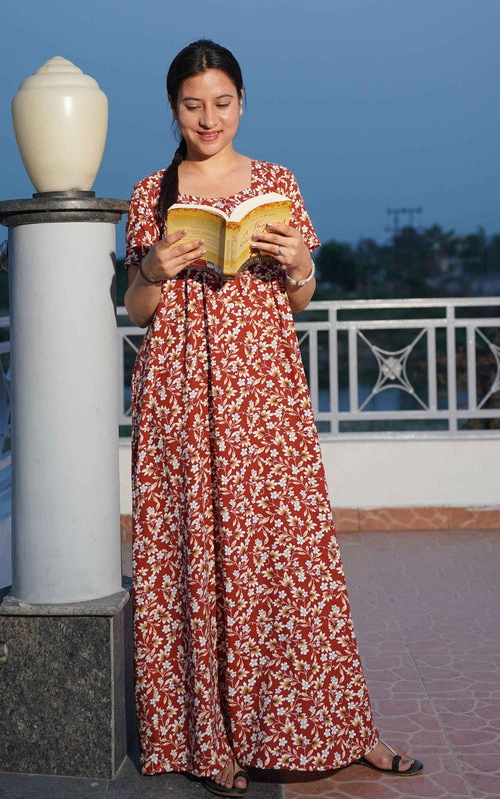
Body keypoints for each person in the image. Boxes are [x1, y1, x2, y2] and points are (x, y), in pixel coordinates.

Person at [124, 39, 423, 798]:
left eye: (222, 103)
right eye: (193, 105)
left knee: (294, 557)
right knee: (196, 559)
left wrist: (298, 263)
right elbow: (136, 309)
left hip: (265, 398)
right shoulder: (152, 192)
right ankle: (210, 741)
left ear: (242, 103)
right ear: (173, 109)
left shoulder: (277, 183)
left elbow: (300, 299)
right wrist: (152, 269)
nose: (208, 118)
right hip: (182, 396)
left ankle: (343, 729)